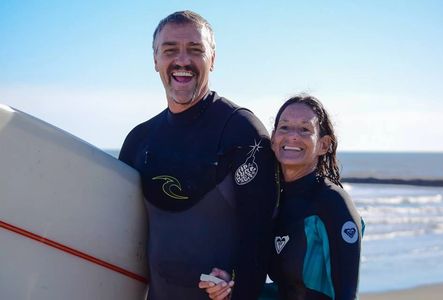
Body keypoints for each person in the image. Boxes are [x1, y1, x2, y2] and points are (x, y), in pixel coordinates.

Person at [119, 11, 278, 299]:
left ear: (213, 59)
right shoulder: (138, 141)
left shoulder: (242, 133)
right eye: (170, 50)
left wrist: (237, 284)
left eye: (195, 50)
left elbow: (260, 238)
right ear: (155, 59)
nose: (182, 61)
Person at [200, 95, 364, 300]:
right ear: (273, 139)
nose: (292, 136)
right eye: (284, 127)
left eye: (305, 129)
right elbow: (284, 288)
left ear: (324, 145)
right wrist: (231, 286)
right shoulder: (272, 201)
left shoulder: (333, 203)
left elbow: (347, 294)